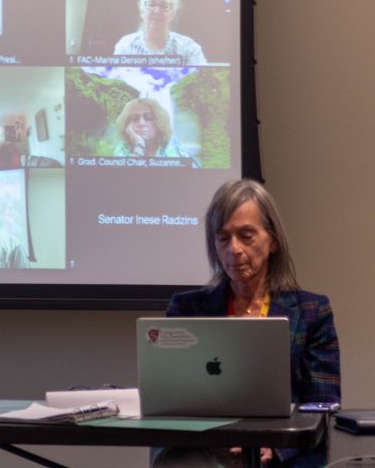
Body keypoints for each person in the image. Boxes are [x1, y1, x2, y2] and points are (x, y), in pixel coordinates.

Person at [165, 179, 339, 467]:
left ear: (272, 241)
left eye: (246, 236)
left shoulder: (312, 312)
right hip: (206, 450)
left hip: (285, 453)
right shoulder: (186, 309)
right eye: (223, 238)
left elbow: (322, 406)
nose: (234, 249)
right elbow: (171, 400)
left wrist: (276, 449)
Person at [114, 0, 206, 63]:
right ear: (142, 11)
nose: (157, 11)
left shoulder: (189, 48)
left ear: (172, 14)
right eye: (151, 4)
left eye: (164, 6)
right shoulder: (125, 46)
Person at [113, 98, 197, 165]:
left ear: (159, 122)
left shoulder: (171, 146)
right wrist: (139, 145)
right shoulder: (123, 149)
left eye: (148, 117)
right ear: (127, 125)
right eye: (135, 118)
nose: (141, 123)